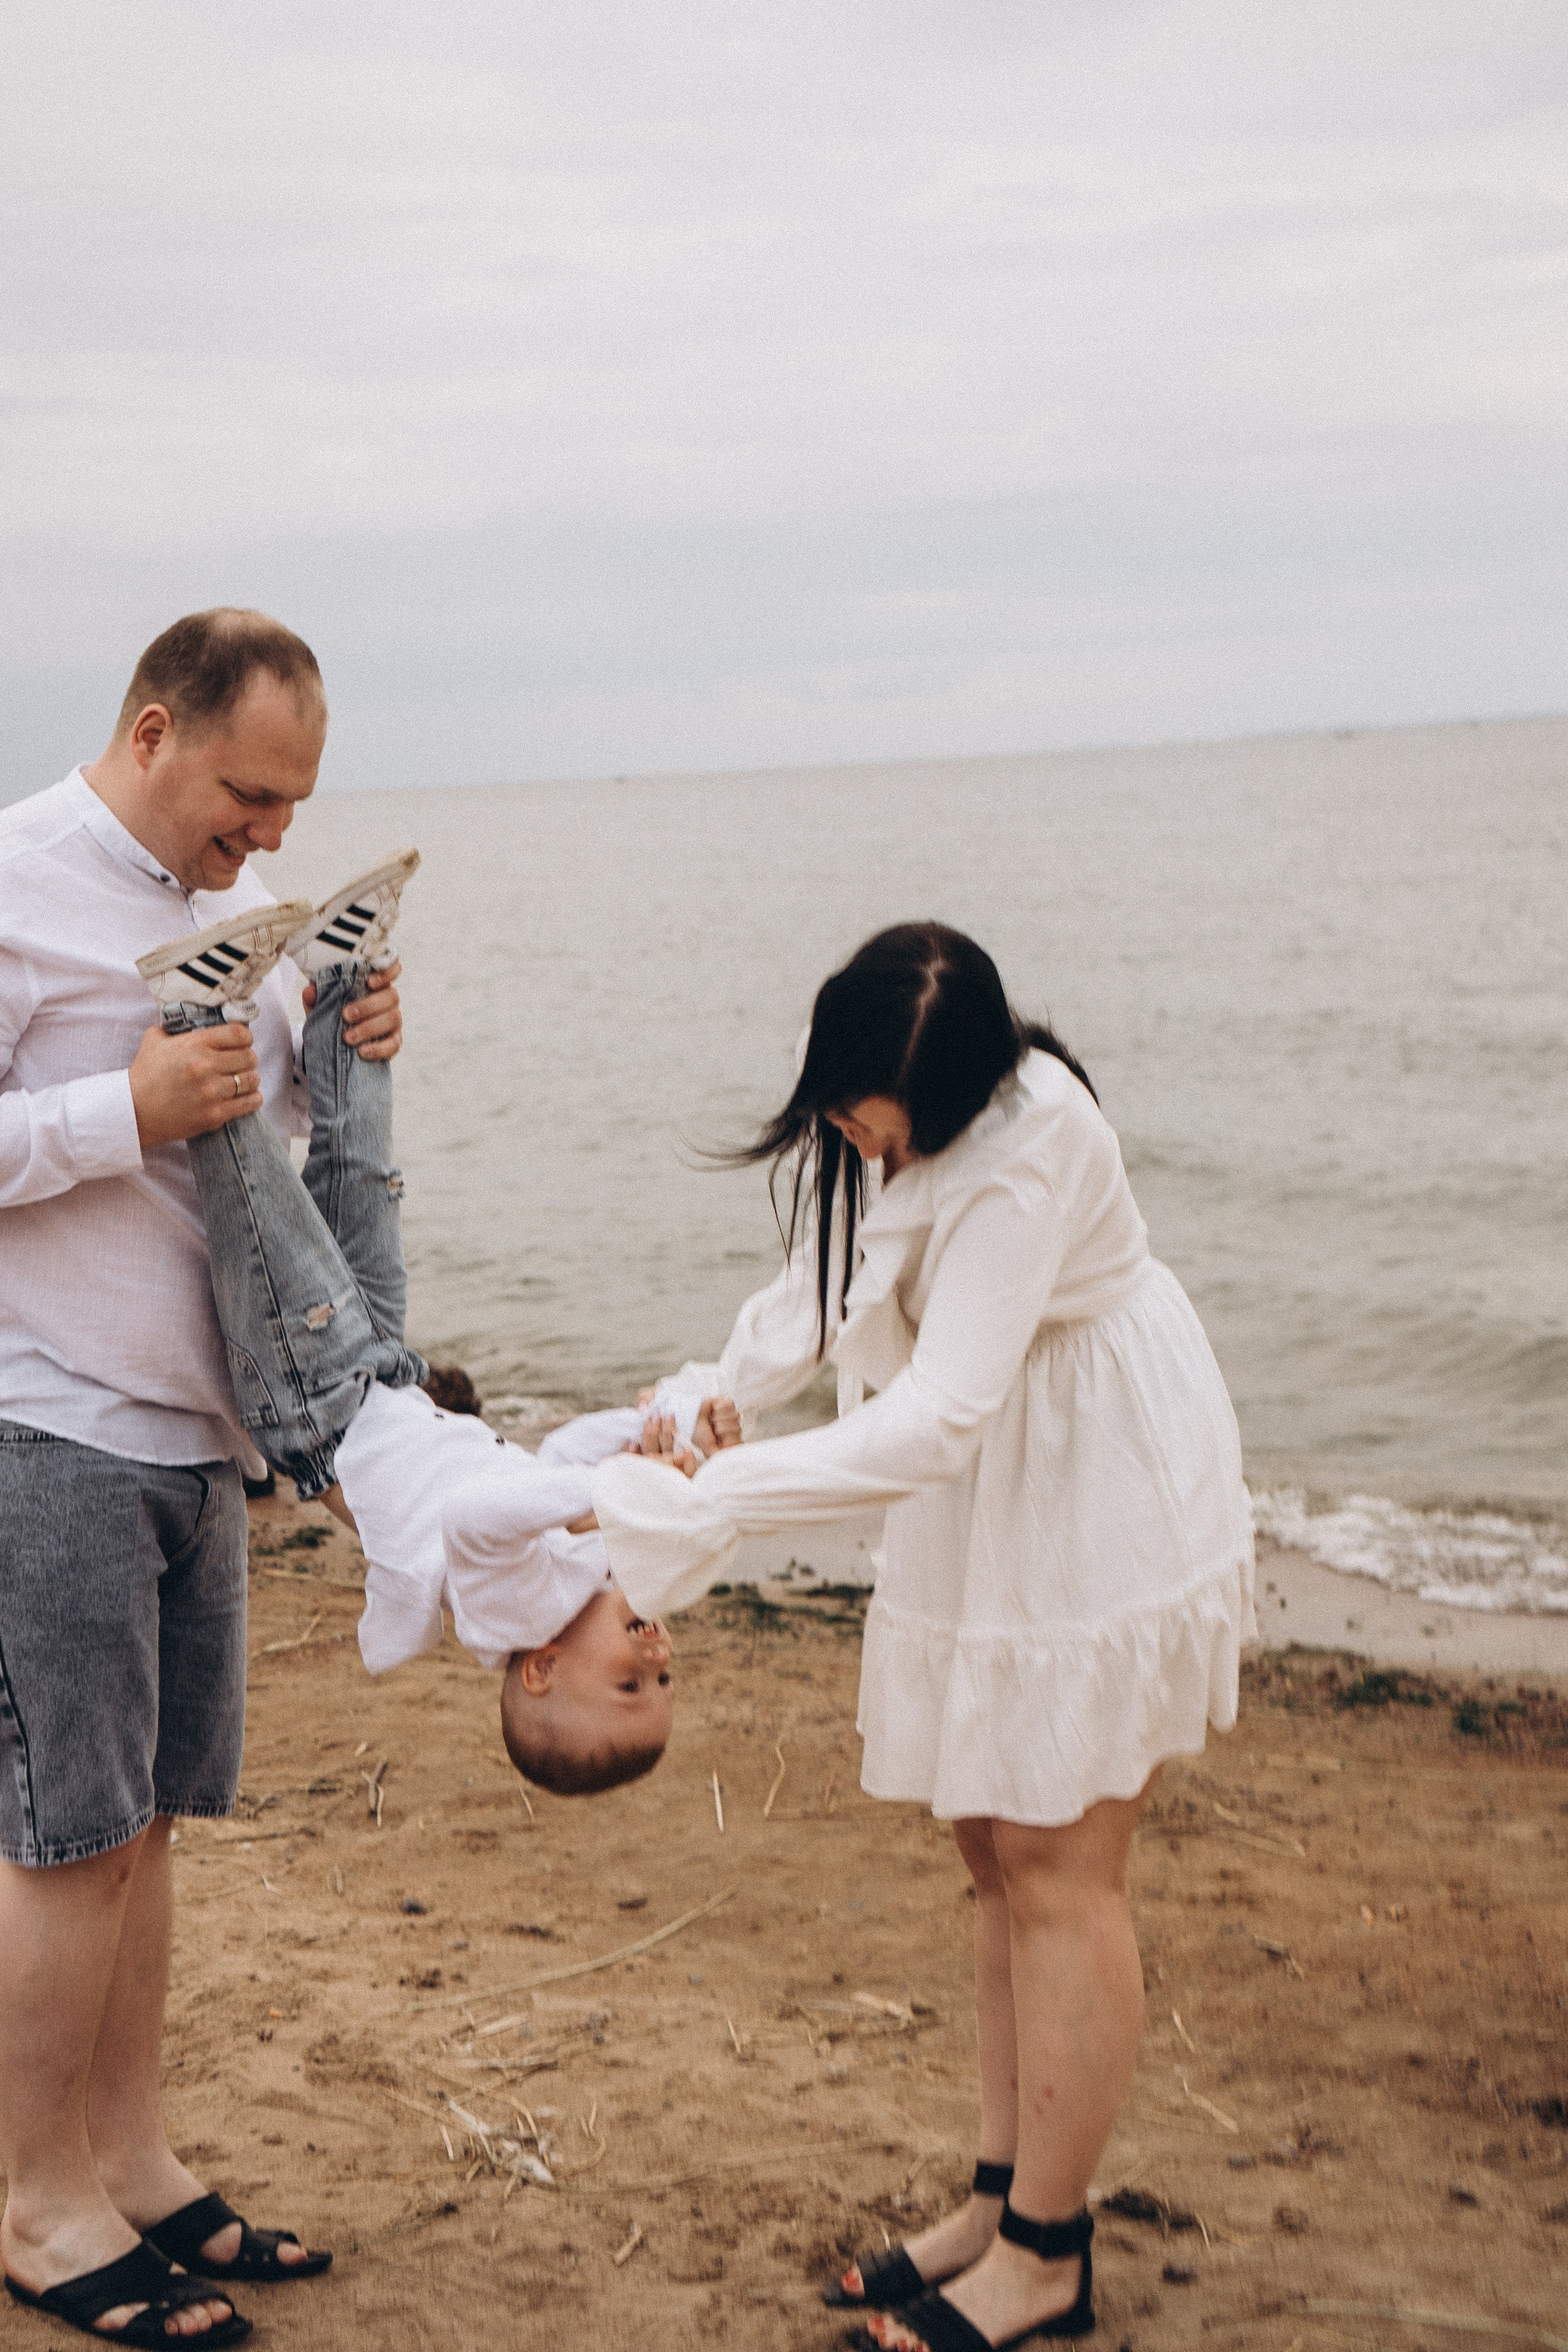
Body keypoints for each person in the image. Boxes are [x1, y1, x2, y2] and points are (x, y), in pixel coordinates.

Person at [592, 922, 1256, 2352]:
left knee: (1059, 1867)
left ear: (953, 1099)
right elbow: (827, 1285)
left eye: (875, 1122)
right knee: (989, 1852)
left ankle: (1045, 2260)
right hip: (988, 1486)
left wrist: (721, 1499)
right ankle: (1002, 2201)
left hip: (1085, 1466)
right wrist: (712, 1394)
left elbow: (942, 1414)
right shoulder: (881, 1116)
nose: (852, 1137)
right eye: (841, 1108)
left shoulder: (1029, 1149)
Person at [0, 610, 403, 2346]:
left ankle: (131, 2160)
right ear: (153, 732)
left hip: (203, 1429)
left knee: (153, 1826)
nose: (272, 834)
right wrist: (127, 1108)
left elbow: (265, 1169)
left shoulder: (245, 913)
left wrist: (343, 1048)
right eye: (249, 794)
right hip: (49, 1422)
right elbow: (122, 1128)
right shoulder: (14, 881)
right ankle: (37, 2204)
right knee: (70, 1838)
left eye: (295, 804)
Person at [137, 869, 739, 1798]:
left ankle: (196, 1013)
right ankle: (342, 977)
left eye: (631, 1684)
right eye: (666, 1682)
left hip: (320, 1407)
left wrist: (615, 1493)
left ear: (541, 1672)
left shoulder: (510, 1613)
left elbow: (479, 1515)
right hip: (383, 1374)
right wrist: (657, 1438)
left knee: (266, 1206)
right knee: (364, 1176)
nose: (658, 1659)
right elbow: (554, 1460)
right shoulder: (576, 1579)